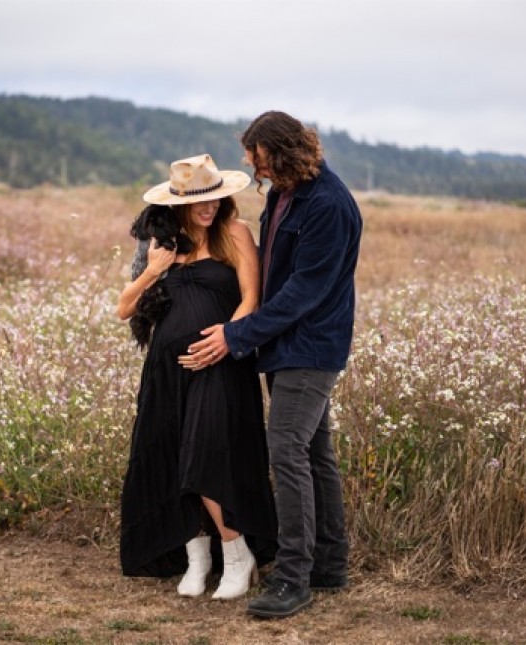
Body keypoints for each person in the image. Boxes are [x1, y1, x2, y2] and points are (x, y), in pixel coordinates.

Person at [183, 112, 363, 617]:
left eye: (255, 155)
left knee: (285, 450)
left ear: (279, 152)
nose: (249, 163)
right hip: (286, 347)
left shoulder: (329, 204)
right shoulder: (286, 193)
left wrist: (236, 335)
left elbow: (302, 294)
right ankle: (329, 565)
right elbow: (271, 273)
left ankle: (293, 578)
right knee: (314, 454)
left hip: (311, 346)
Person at [117, 153, 278, 600]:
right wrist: (154, 269)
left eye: (215, 198)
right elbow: (125, 308)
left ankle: (237, 551)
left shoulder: (234, 233)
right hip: (166, 372)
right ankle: (197, 556)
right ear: (178, 203)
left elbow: (252, 299)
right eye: (198, 202)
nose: (208, 208)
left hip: (222, 363)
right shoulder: (166, 243)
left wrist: (226, 338)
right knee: (171, 455)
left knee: (203, 455)